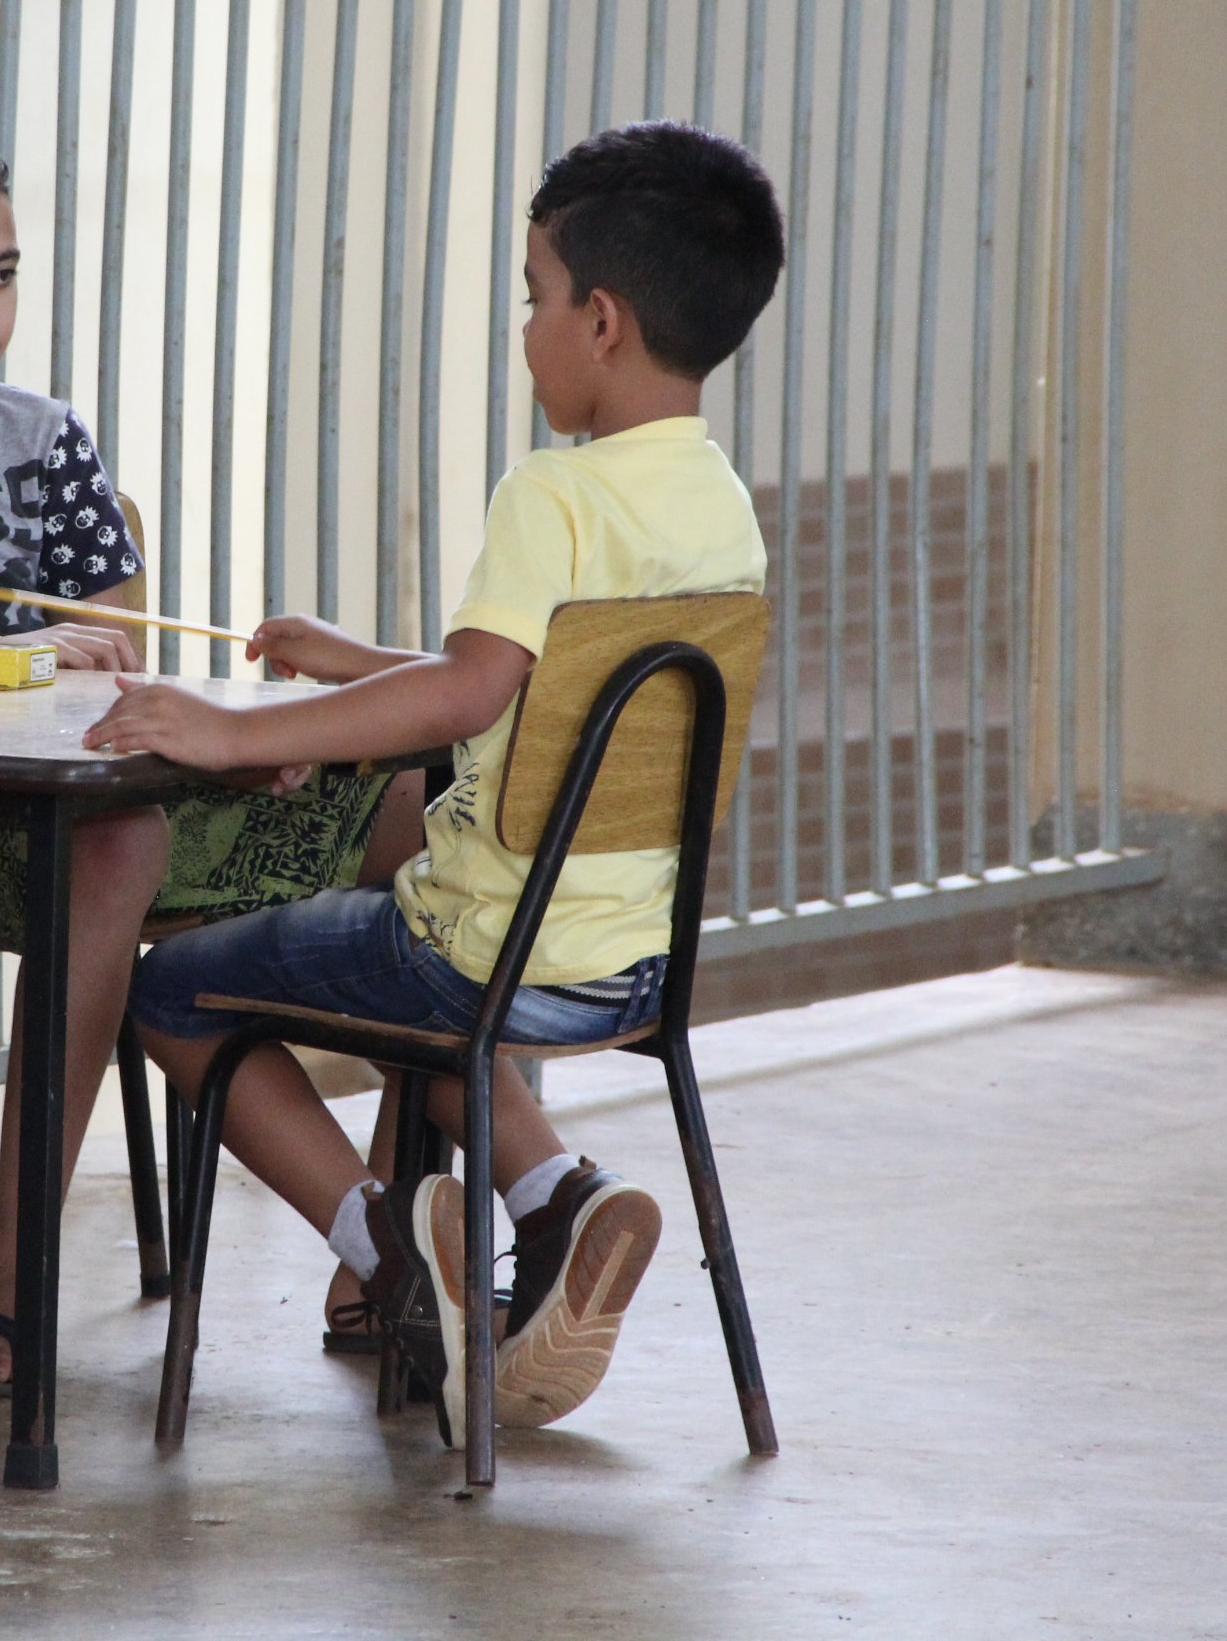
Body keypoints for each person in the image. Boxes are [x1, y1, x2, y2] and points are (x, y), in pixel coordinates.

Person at [88, 121, 784, 1442]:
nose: (526, 327)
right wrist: (355, 666)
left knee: (168, 988)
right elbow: (531, 681)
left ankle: (393, 1255)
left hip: (477, 945)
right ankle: (559, 1199)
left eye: (534, 296)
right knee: (418, 1006)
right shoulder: (718, 505)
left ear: (600, 320)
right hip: (629, 951)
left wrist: (225, 731)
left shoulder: (555, 494)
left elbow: (469, 694)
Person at [0, 109, 424, 1395]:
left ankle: (394, 1237)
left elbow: (113, 658)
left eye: (0, 274)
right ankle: (15, 1266)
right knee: (119, 842)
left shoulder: (46, 439)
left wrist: (235, 739)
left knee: (414, 798)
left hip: (94, 801)